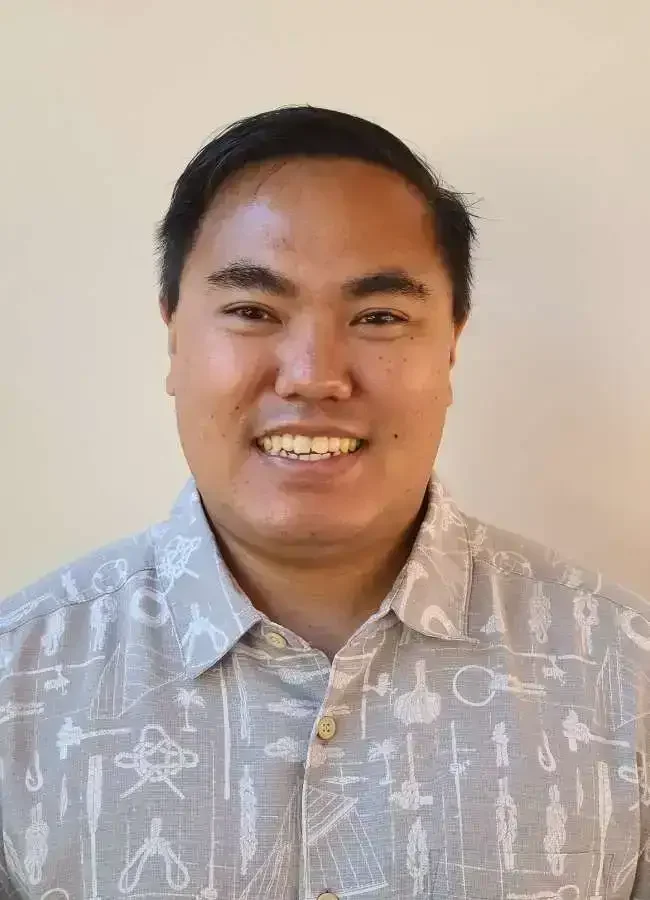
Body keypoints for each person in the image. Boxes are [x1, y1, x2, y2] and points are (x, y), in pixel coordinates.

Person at [0, 105, 647, 900]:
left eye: (379, 317)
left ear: (451, 344)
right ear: (173, 337)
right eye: (252, 312)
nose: (312, 374)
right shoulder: (20, 682)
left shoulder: (624, 677)